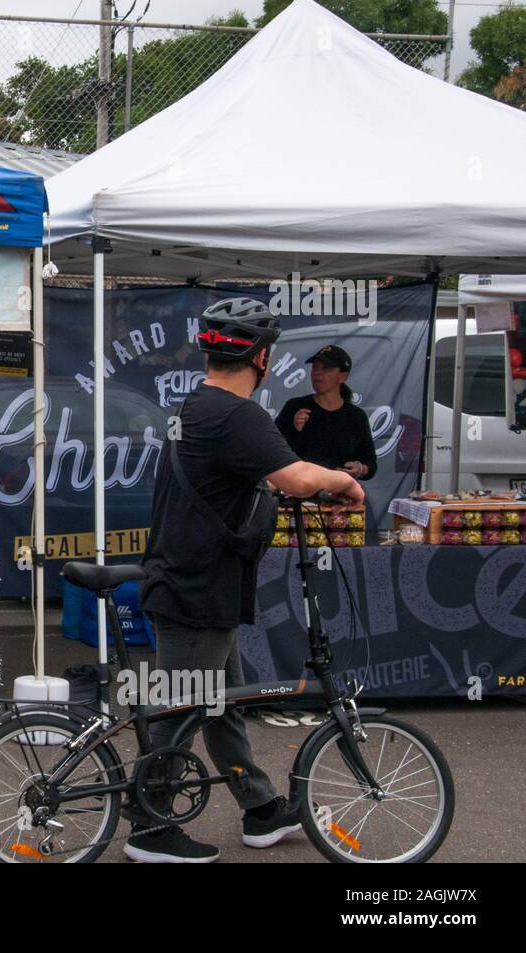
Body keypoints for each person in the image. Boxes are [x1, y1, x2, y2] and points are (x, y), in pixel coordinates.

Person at [132, 298, 364, 863]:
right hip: (195, 586)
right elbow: (297, 475)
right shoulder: (237, 415)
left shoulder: (196, 406)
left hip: (197, 579)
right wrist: (345, 483)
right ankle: (149, 826)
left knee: (224, 703)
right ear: (261, 356)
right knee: (182, 709)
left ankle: (260, 808)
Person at [275, 345, 377, 481]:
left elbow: (370, 464)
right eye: (315, 368)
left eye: (326, 368)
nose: (317, 372)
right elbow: (274, 452)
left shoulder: (356, 416)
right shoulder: (295, 406)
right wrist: (293, 429)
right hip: (299, 492)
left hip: (340, 494)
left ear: (343, 376)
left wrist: (360, 469)